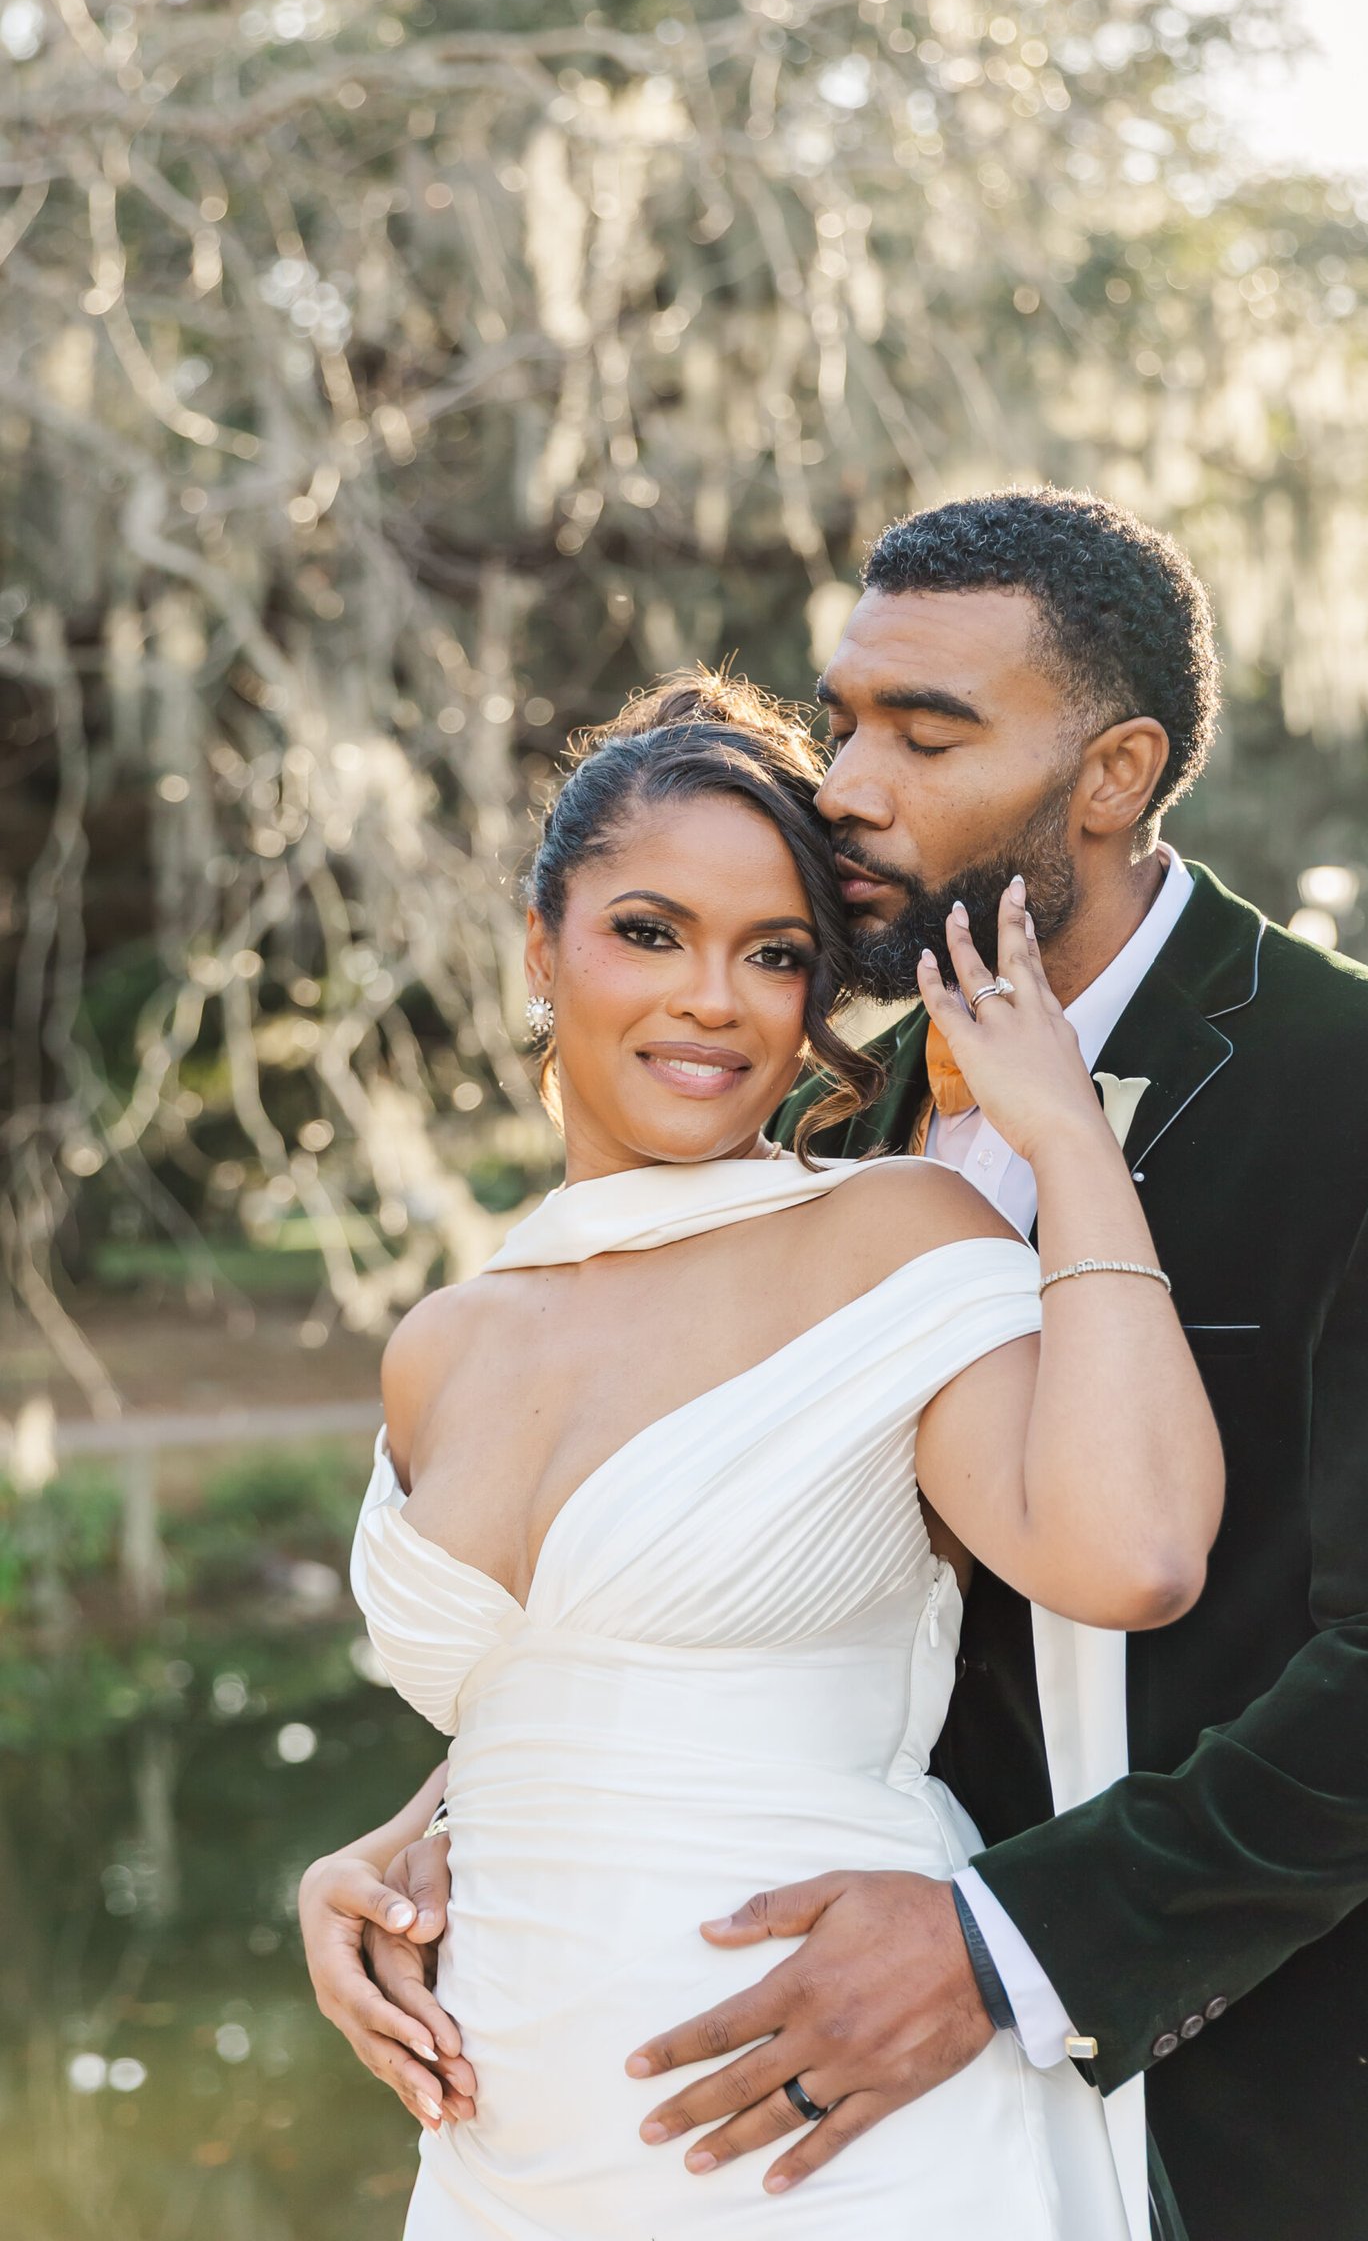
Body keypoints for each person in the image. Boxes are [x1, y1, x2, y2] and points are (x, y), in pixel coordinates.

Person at [305, 489, 1368, 2241]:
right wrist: (438, 1824)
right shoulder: (836, 1110)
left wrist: (1009, 1949)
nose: (844, 781)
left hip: (1302, 2106)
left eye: (928, 732)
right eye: (843, 717)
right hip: (829, 2101)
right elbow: (740, 1542)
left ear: (1113, 773)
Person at [306, 665, 1224, 2241]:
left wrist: (1068, 1140)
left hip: (826, 2112)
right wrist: (386, 1862)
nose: (713, 1000)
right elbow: (575, 1687)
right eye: (649, 932)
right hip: (502, 2138)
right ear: (543, 945)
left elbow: (1131, 1553)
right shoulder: (443, 1341)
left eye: (775, 955)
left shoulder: (888, 1237)